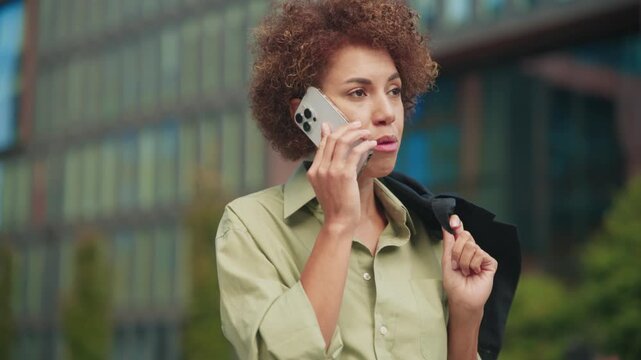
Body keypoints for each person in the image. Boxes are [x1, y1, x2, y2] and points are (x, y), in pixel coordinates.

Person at [215, 1, 519, 359]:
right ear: (305, 114)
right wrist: (339, 224)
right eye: (359, 92)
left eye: (393, 90)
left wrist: (467, 317)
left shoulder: (434, 235)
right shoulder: (250, 228)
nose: (387, 113)